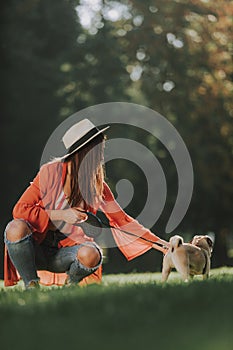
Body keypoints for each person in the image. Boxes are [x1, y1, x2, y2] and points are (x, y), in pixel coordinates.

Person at [4, 119, 169, 289]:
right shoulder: (49, 172)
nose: (102, 157)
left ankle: (71, 286)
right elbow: (20, 210)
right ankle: (31, 286)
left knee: (91, 254)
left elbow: (123, 221)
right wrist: (62, 214)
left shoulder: (96, 185)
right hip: (36, 248)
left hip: (66, 252)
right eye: (99, 151)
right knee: (15, 228)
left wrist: (164, 246)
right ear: (86, 153)